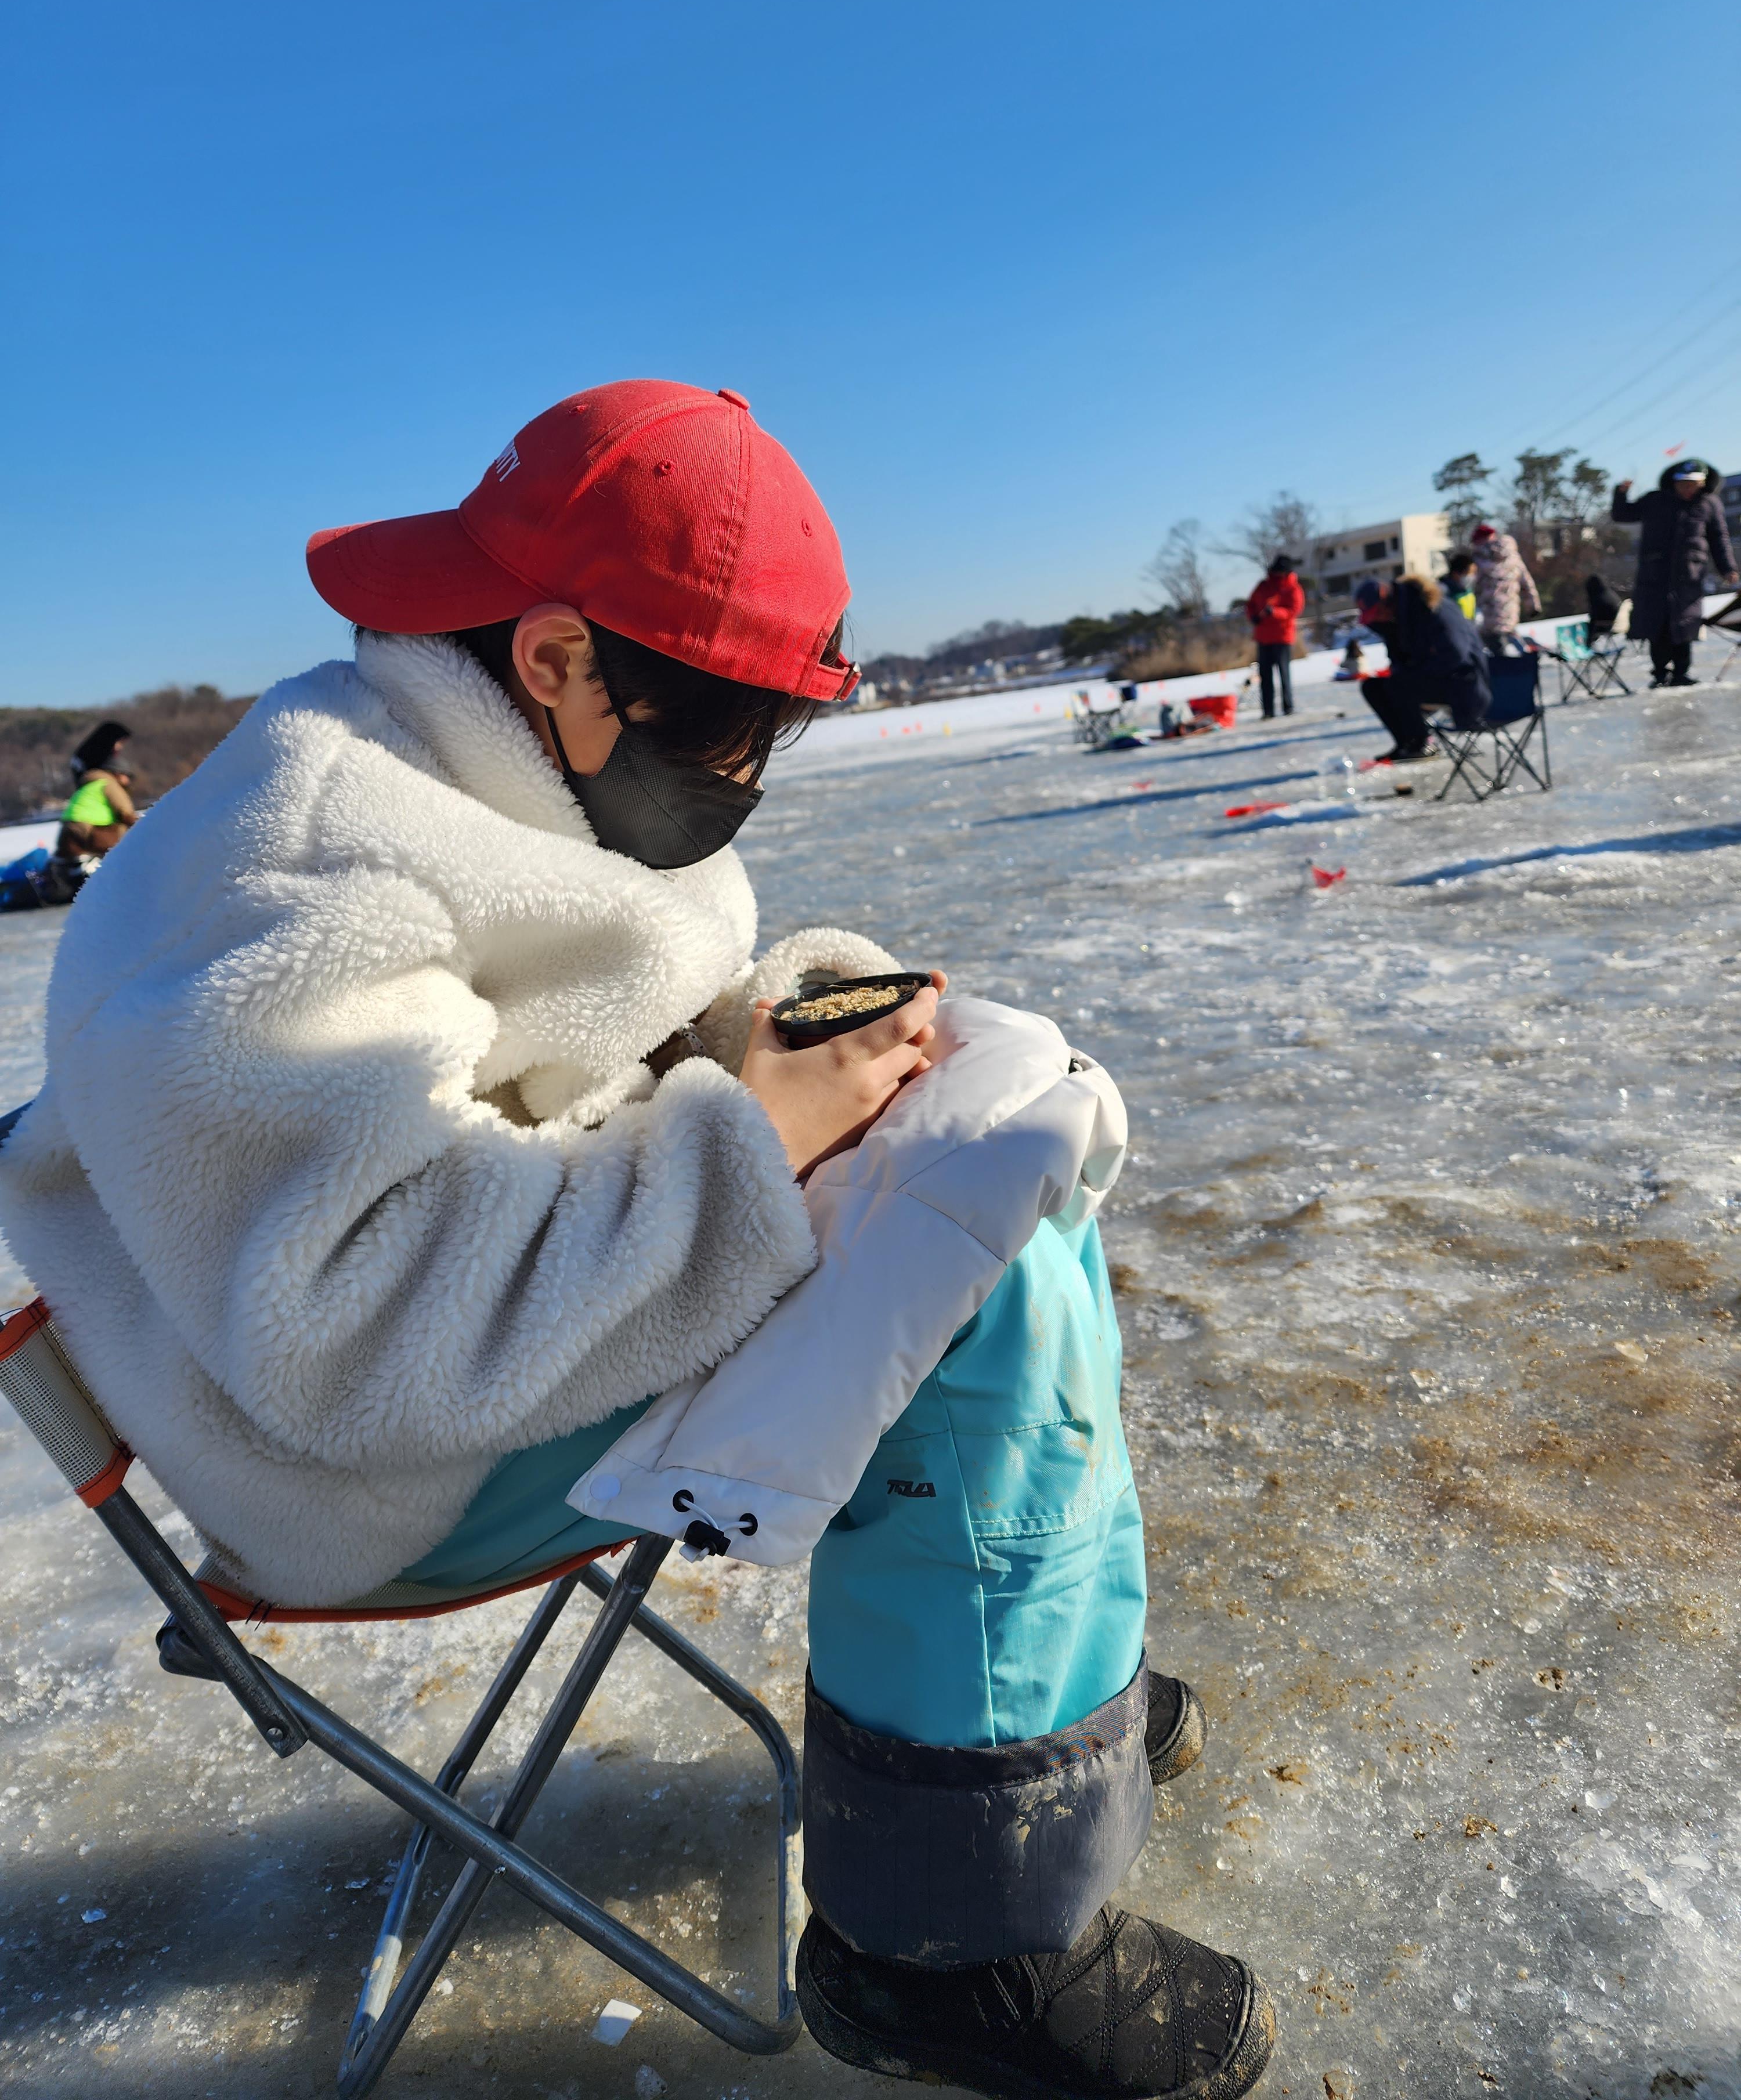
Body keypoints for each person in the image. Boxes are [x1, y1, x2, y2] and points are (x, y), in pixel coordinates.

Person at [0, 381, 1274, 2100]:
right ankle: (951, 1941)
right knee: (973, 1265)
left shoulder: (473, 768)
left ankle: (1024, 1706)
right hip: (360, 1465)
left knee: (973, 1156)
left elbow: (597, 1026)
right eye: (729, 733)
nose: (740, 779)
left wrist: (795, 1034)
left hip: (485, 1328)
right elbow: (362, 1336)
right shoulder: (297, 870)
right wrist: (755, 1140)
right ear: (553, 660)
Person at [1613, 458, 1737, 687]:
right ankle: (1660, 673)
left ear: (1702, 483)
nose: (1687, 488)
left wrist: (1728, 569)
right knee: (1658, 626)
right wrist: (1620, 494)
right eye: (1683, 484)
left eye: (1692, 483)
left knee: (1684, 625)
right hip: (1655, 576)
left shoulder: (1710, 504)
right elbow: (1623, 515)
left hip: (1689, 575)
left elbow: (1719, 538)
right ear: (1674, 482)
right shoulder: (1655, 500)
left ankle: (1682, 672)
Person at [1354, 574, 1490, 760]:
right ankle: (1409, 744)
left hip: (1466, 684)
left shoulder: (1434, 609)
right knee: (1373, 687)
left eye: (1377, 613)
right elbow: (1400, 660)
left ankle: (1421, 743)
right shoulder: (1399, 620)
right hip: (1438, 679)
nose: (1376, 620)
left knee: (1399, 685)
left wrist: (1413, 674)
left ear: (1388, 601)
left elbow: (1456, 656)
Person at [55, 720, 139, 863]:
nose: (121, 747)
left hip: (68, 832)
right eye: (120, 742)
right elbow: (126, 813)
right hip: (88, 830)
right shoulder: (106, 781)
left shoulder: (92, 781)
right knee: (126, 836)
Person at [1245, 554, 1304, 718]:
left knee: (1284, 673)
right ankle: (1268, 710)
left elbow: (1294, 611)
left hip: (1283, 636)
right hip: (1263, 637)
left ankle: (1288, 706)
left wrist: (1274, 612)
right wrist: (1253, 616)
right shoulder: (1263, 586)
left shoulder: (1293, 588)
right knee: (1265, 676)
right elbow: (1251, 605)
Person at [1469, 521, 1540, 656]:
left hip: (1486, 612)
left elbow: (1470, 586)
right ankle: (1525, 665)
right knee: (1509, 636)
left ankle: (1509, 670)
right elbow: (1526, 582)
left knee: (1496, 648)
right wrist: (1532, 605)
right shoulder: (1512, 556)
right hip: (1509, 608)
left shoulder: (1477, 559)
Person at [1444, 549, 1478, 621]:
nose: (1472, 577)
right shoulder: (1444, 593)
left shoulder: (1468, 591)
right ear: (1456, 574)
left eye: (1474, 573)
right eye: (1469, 573)